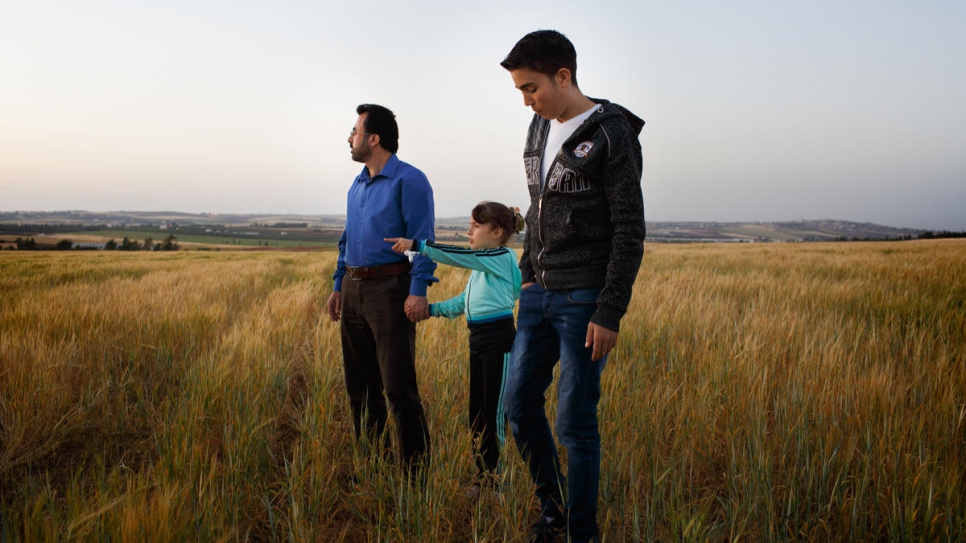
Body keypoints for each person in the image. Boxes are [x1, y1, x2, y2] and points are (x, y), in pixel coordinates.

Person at [499, 30, 646, 543]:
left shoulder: (611, 133)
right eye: (520, 90)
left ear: (564, 76)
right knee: (518, 407)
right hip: (539, 294)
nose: (526, 101)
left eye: (532, 87)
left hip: (585, 300)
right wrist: (527, 277)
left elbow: (629, 227)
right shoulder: (539, 131)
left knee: (574, 425)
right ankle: (554, 508)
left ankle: (582, 533)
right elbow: (536, 211)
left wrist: (610, 311)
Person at [325, 103, 436, 472]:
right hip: (355, 291)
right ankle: (372, 466)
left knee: (398, 390)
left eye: (354, 132)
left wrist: (417, 289)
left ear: (374, 139)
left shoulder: (410, 180)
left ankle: (415, 479)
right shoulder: (356, 185)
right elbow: (347, 239)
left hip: (390, 289)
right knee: (360, 388)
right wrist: (339, 284)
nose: (349, 138)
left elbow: (423, 239)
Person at [385, 201, 522, 495]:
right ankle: (482, 477)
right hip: (479, 342)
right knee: (476, 415)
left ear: (497, 232)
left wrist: (420, 245)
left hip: (499, 343)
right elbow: (464, 302)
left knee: (494, 416)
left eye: (475, 226)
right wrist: (431, 310)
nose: (468, 232)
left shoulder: (501, 256)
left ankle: (496, 484)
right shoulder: (483, 268)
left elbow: (458, 255)